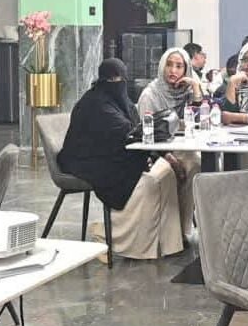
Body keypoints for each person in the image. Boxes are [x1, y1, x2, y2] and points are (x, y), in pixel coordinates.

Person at [59, 58, 189, 260]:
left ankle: (167, 242)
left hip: (113, 154)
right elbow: (127, 131)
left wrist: (165, 155)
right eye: (111, 79)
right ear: (102, 80)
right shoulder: (95, 103)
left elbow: (135, 130)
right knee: (149, 182)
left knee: (166, 174)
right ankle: (109, 235)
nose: (116, 84)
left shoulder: (121, 101)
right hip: (86, 160)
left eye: (120, 79)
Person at [136, 48, 202, 239]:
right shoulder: (150, 95)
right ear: (162, 67)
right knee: (183, 166)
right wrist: (169, 158)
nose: (173, 70)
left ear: (186, 70)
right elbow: (145, 135)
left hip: (182, 148)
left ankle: (182, 231)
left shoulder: (187, 92)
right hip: (156, 152)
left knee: (195, 164)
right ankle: (170, 233)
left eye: (179, 66)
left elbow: (199, 122)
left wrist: (196, 88)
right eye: (169, 65)